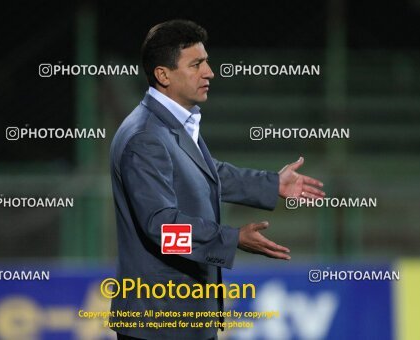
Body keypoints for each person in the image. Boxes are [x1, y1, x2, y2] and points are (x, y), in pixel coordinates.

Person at [109, 19, 325, 340]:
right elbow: (162, 229)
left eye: (206, 62)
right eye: (196, 64)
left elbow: (206, 172)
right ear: (163, 74)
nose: (209, 72)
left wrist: (270, 185)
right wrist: (231, 239)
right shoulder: (145, 136)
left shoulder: (170, 123)